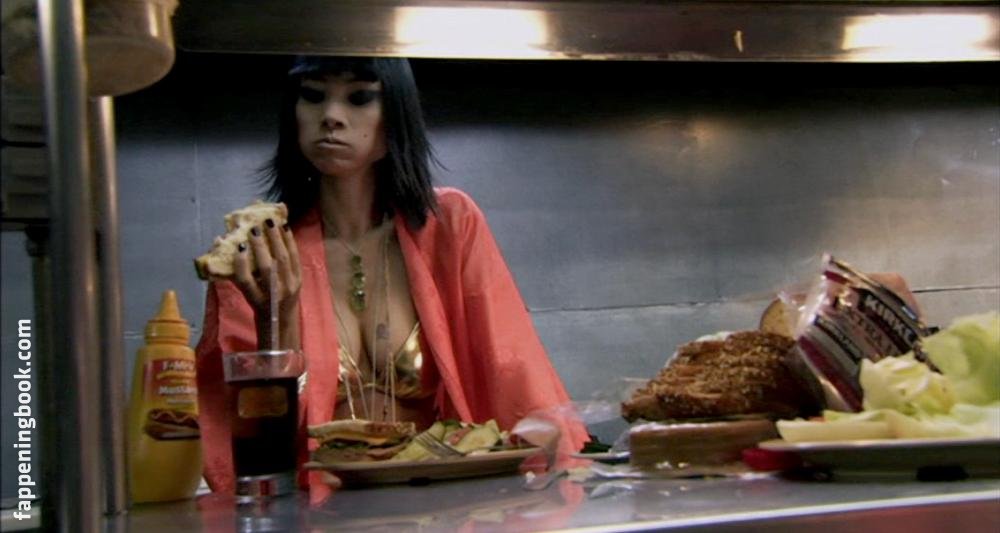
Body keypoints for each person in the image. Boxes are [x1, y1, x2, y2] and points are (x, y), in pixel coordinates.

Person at [194, 56, 590, 499]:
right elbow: (246, 447)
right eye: (313, 95)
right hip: (319, 510)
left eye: (360, 98)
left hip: (448, 503)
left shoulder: (449, 224)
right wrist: (277, 319)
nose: (331, 116)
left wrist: (562, 487)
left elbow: (513, 370)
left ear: (396, 117)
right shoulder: (261, 253)